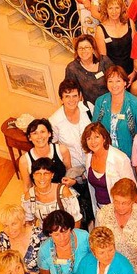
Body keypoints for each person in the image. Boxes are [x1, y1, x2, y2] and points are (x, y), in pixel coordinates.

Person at [49, 79, 95, 227]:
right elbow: (54, 147)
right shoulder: (55, 121)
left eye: (75, 95)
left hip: (93, 162)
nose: (71, 100)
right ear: (61, 98)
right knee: (82, 204)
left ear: (80, 96)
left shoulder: (88, 109)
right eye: (67, 96)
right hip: (74, 169)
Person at [95, 178, 137, 274]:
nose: (120, 207)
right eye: (116, 201)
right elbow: (97, 244)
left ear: (133, 200)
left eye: (125, 203)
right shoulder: (103, 214)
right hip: (109, 273)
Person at [82, 122, 136, 212]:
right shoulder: (89, 156)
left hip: (120, 211)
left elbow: (132, 190)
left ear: (104, 138)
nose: (93, 142)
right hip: (99, 209)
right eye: (89, 138)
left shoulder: (120, 158)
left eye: (96, 137)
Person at [92, 65, 137, 158]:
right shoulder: (100, 102)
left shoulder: (135, 103)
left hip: (130, 155)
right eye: (110, 81)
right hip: (106, 155)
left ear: (125, 82)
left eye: (118, 81)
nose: (114, 85)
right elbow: (94, 129)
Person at [21, 158, 82, 227]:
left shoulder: (63, 192)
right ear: (33, 176)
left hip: (65, 233)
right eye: (38, 174)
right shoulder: (29, 196)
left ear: (52, 175)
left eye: (46, 173)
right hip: (44, 235)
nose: (42, 178)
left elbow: (76, 219)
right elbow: (29, 221)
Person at [19, 117, 73, 191]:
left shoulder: (62, 150)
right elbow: (27, 186)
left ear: (49, 134)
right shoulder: (24, 161)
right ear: (29, 137)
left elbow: (70, 172)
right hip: (42, 196)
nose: (39, 136)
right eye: (35, 133)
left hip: (63, 191)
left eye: (42, 132)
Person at [0, 204, 45, 274]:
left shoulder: (39, 236)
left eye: (14, 224)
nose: (10, 229)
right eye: (5, 226)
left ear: (23, 221)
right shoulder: (2, 239)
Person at [64, 34, 113, 108]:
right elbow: (71, 92)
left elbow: (116, 80)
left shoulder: (104, 61)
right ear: (76, 51)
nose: (83, 50)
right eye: (80, 48)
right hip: (92, 108)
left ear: (93, 49)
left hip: (112, 102)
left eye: (86, 47)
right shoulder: (72, 68)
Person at [93, 0, 134, 77]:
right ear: (105, 10)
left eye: (117, 8)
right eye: (110, 8)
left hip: (132, 72)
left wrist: (135, 72)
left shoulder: (130, 23)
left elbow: (136, 50)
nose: (114, 12)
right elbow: (103, 59)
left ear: (121, 8)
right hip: (112, 75)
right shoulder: (100, 29)